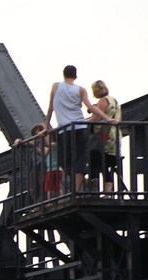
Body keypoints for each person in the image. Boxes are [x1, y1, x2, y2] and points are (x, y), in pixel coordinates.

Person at [44, 65, 118, 194]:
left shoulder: (55, 86)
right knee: (79, 160)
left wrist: (46, 127)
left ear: (63, 75)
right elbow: (90, 106)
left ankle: (75, 191)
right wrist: (107, 118)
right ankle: (76, 190)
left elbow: (51, 108)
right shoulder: (81, 90)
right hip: (80, 128)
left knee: (64, 161)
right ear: (76, 76)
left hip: (64, 130)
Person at [89, 80, 122, 194]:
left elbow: (97, 118)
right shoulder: (114, 101)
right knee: (106, 165)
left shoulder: (103, 101)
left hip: (103, 135)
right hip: (114, 134)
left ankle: (94, 190)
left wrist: (82, 122)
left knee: (95, 161)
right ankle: (108, 193)